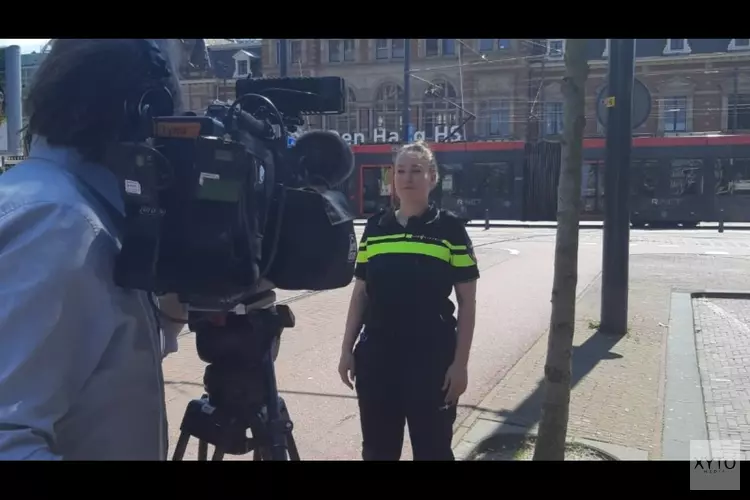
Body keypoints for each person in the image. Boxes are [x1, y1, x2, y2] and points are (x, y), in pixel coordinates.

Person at [0, 39, 196, 460]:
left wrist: (174, 310)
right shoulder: (59, 224)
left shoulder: (76, 209)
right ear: (142, 109)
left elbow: (96, 364)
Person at [338, 141, 479, 461]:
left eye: (416, 170)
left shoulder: (450, 229)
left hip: (431, 359)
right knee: (377, 451)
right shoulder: (375, 228)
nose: (407, 177)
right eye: (400, 170)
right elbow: (360, 293)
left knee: (432, 450)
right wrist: (347, 350)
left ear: (433, 177)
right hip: (377, 358)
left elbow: (467, 304)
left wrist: (460, 365)